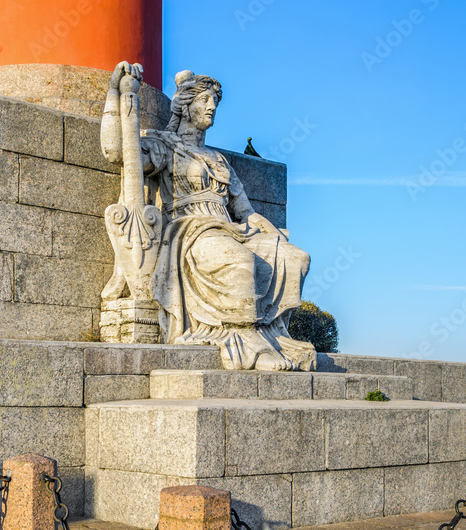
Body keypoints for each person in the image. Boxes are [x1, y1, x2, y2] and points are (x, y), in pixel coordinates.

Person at [101, 62, 315, 371]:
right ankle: (246, 345)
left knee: (296, 258)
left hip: (228, 228)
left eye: (215, 101)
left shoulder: (219, 160)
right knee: (240, 261)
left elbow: (247, 214)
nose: (212, 107)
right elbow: (117, 152)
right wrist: (115, 95)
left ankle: (272, 336)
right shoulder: (165, 146)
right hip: (189, 230)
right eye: (205, 100)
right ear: (186, 107)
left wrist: (271, 234)